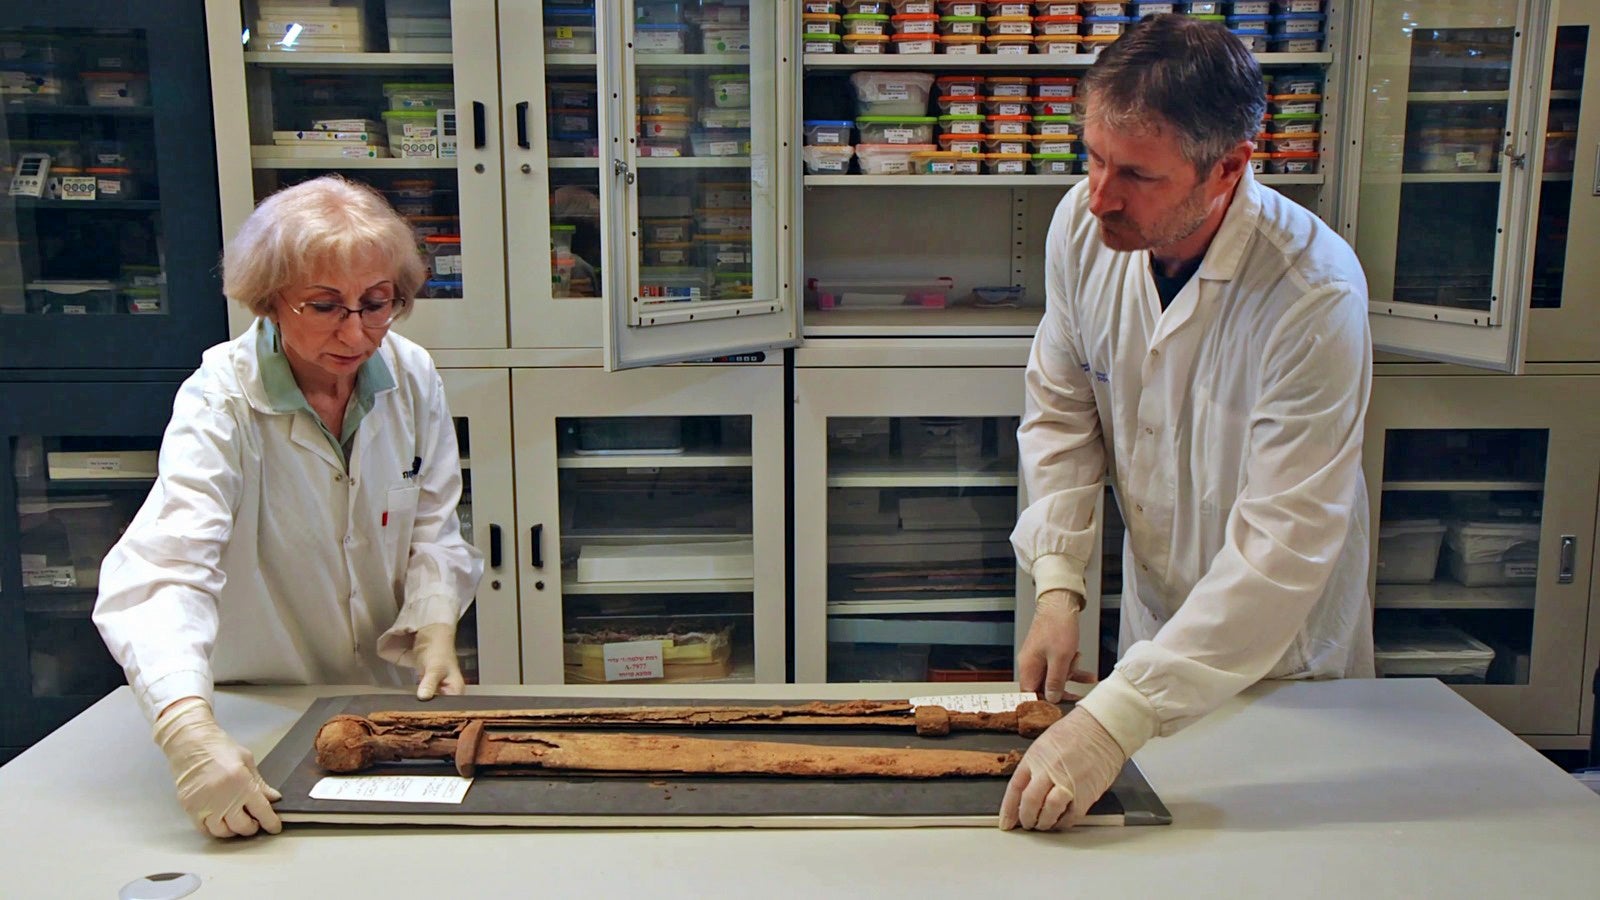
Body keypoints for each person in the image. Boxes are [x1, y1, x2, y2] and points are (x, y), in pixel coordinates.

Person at [1002, 15, 1374, 831]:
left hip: (1280, 654)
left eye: (1136, 173)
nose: (1099, 194)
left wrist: (1114, 719)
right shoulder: (1081, 227)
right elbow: (1063, 411)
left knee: (1275, 860)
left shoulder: (1314, 297)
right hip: (1156, 625)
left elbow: (1283, 546)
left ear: (1230, 168)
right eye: (1092, 156)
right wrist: (1059, 584)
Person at [93, 175, 484, 839]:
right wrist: (188, 732)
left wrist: (435, 625)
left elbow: (432, 529)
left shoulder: (411, 374)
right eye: (325, 305)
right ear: (271, 302)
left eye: (377, 302)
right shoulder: (221, 401)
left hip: (376, 705)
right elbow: (166, 573)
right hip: (251, 710)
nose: (357, 331)